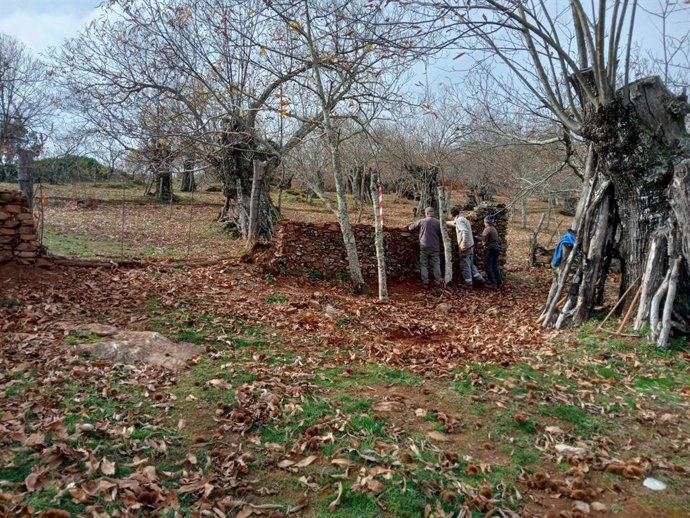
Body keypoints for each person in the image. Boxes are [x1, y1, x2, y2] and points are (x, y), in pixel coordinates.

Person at [446, 207, 484, 288]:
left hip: (466, 246)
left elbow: (464, 231)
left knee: (465, 264)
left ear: (452, 214)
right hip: (470, 245)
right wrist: (444, 222)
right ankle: (479, 279)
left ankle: (468, 283)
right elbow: (455, 223)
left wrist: (463, 243)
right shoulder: (462, 219)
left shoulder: (460, 220)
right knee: (470, 263)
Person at [408, 207, 442, 288]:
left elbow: (410, 228)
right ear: (433, 213)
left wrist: (411, 223)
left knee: (424, 264)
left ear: (426, 213)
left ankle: (425, 282)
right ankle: (438, 281)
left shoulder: (422, 221)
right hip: (435, 247)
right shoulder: (438, 222)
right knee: (436, 264)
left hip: (424, 246)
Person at [481, 215, 502, 288]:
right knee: (494, 266)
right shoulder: (494, 229)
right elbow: (499, 240)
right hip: (496, 248)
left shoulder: (487, 229)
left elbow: (484, 241)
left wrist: (482, 244)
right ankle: (499, 282)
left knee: (487, 266)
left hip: (490, 249)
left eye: (484, 222)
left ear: (486, 222)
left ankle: (493, 283)